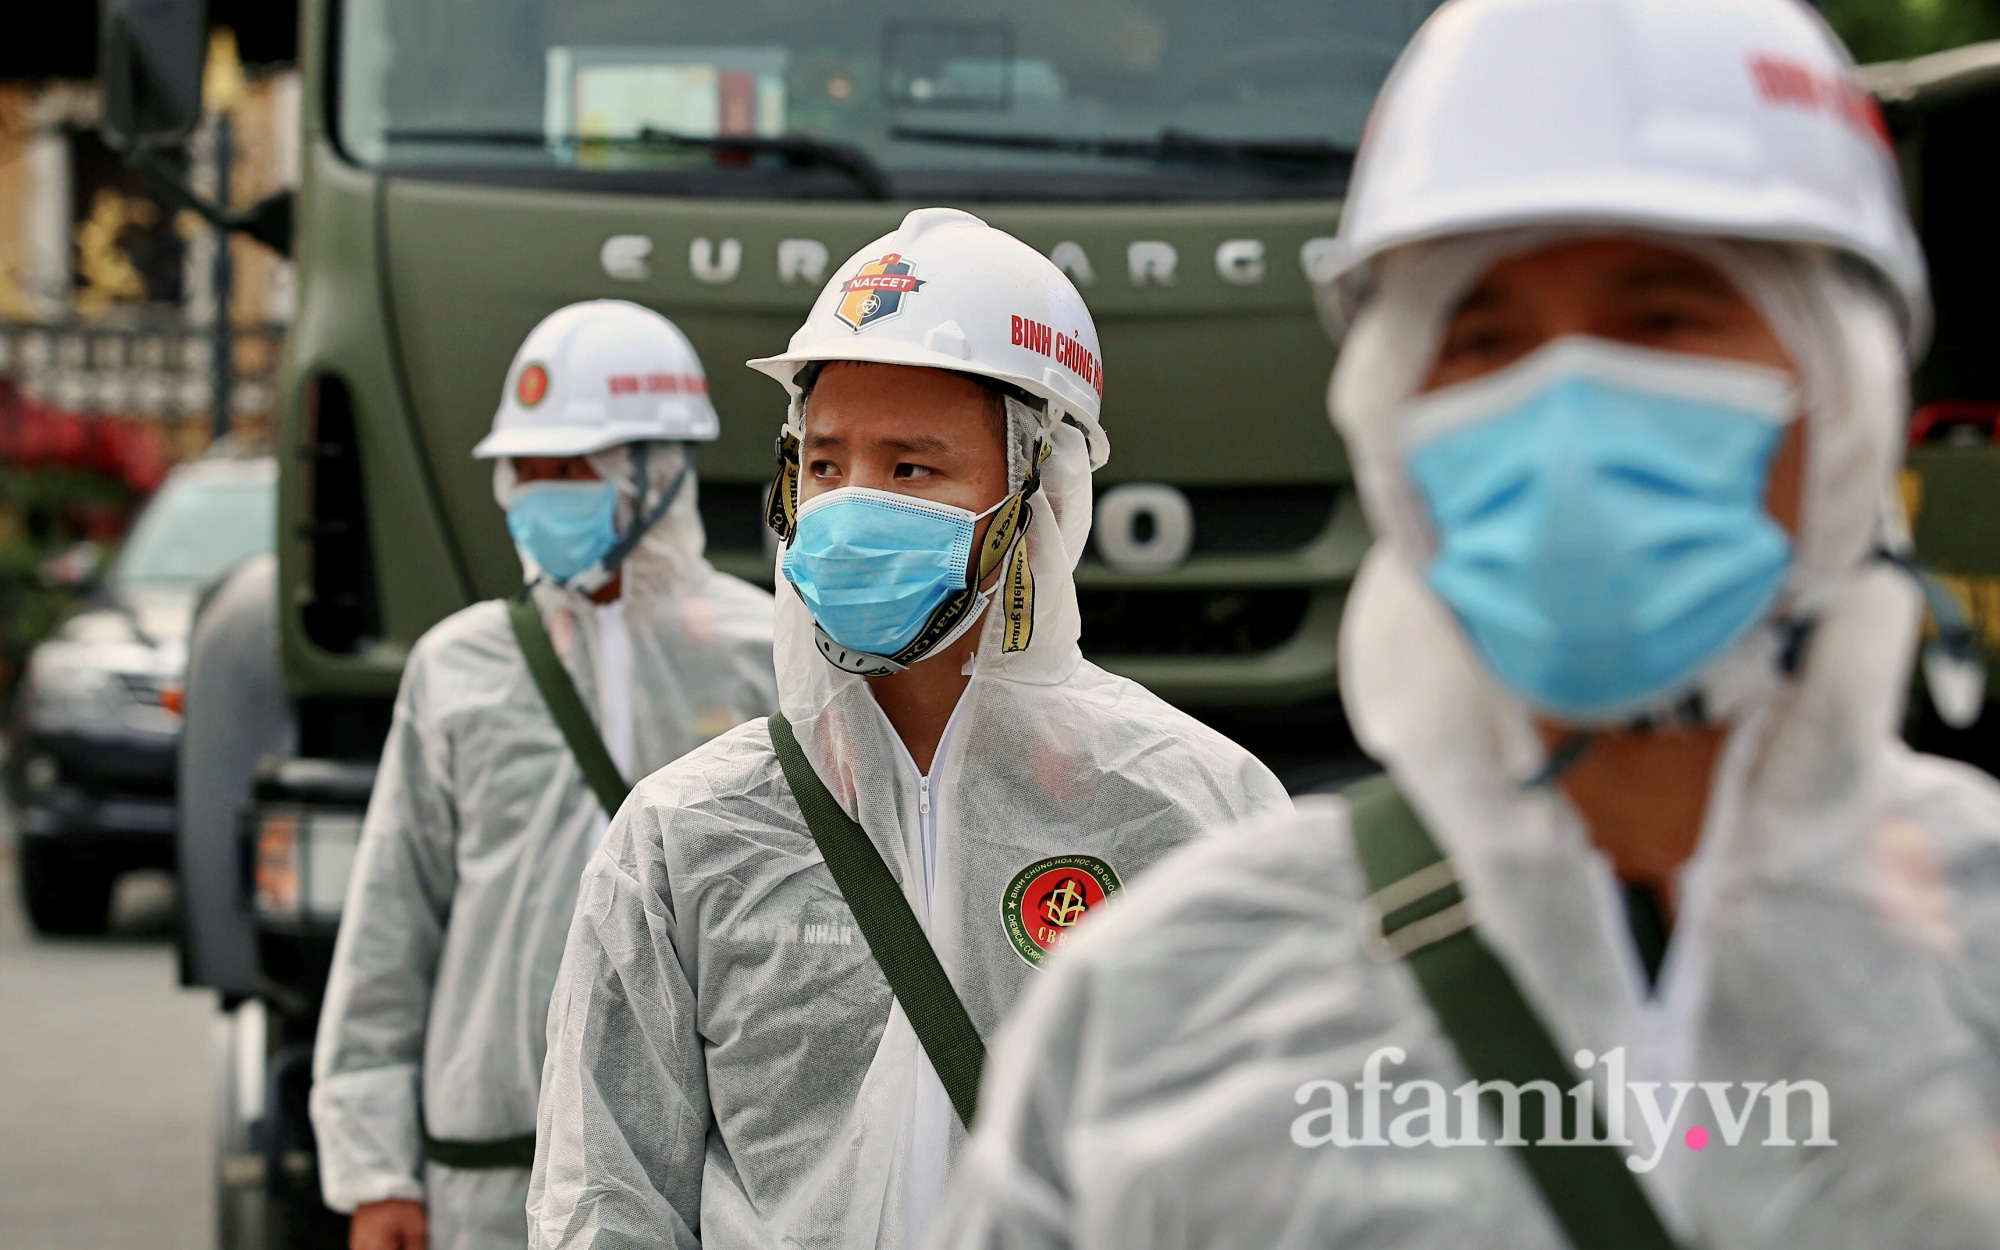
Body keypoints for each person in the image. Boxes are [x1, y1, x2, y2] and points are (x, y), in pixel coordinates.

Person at [933, 1, 2000, 1246]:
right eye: (1479, 336)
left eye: (1661, 318)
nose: (1559, 406)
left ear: (1850, 392)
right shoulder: (1164, 1002)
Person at [524, 208, 1291, 1250]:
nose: (850, 507)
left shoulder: (1197, 811)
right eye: (826, 464)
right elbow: (603, 1194)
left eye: (911, 468)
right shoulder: (685, 836)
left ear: (1040, 491)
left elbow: (1271, 1185)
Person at [310, 300, 780, 1250]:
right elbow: (392, 924)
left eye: (573, 469)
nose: (541, 493)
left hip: (701, 1161)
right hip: (486, 1162)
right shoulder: (458, 666)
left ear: (657, 470)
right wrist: (377, 1174)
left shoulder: (765, 654)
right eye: (526, 471)